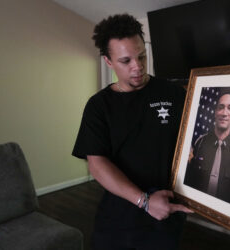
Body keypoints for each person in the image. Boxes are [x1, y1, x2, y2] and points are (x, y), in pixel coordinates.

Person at [72, 14, 192, 250]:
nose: (137, 66)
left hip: (165, 212)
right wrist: (144, 201)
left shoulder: (174, 93)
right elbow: (96, 164)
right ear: (108, 61)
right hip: (120, 216)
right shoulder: (98, 106)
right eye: (126, 61)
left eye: (142, 57)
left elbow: (192, 142)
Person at [184, 92, 230, 208]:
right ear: (215, 112)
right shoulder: (199, 143)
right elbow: (190, 181)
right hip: (197, 209)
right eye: (221, 107)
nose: (225, 113)